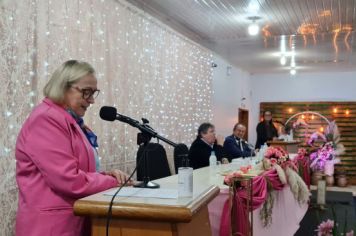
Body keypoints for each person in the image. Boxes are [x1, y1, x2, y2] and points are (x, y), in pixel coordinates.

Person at [15, 60, 132, 236]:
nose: (92, 100)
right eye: (87, 92)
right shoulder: (46, 119)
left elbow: (77, 171)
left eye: (94, 93)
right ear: (63, 87)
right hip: (50, 227)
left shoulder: (69, 120)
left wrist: (105, 175)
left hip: (70, 222)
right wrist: (113, 182)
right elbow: (69, 180)